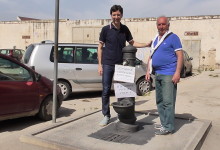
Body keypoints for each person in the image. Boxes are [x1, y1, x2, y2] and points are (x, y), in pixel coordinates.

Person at [98, 5, 151, 126]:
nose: (116, 17)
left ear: (121, 15)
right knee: (106, 90)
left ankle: (121, 112)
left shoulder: (125, 29)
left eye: (118, 15)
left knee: (121, 91)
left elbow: (133, 43)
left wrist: (146, 44)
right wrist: (100, 65)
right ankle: (106, 115)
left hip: (121, 65)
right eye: (114, 15)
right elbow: (100, 47)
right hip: (107, 64)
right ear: (111, 15)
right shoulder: (106, 29)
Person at [145, 16, 183, 135]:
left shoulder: (173, 37)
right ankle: (164, 124)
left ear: (168, 25)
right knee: (160, 101)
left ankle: (169, 127)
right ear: (156, 25)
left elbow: (180, 56)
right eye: (159, 24)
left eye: (163, 24)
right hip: (157, 74)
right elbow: (151, 56)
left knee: (168, 102)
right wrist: (148, 71)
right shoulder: (156, 39)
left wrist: (177, 73)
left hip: (169, 74)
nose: (161, 27)